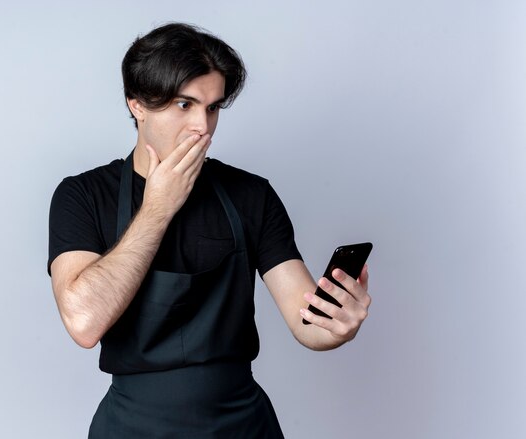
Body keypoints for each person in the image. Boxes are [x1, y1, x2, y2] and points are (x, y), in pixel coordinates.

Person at [48, 22, 371, 438]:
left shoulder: (251, 195)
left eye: (213, 107)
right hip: (131, 427)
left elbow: (305, 322)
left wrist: (338, 324)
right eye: (185, 105)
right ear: (137, 104)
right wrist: (158, 209)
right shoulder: (83, 196)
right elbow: (84, 322)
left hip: (241, 424)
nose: (202, 126)